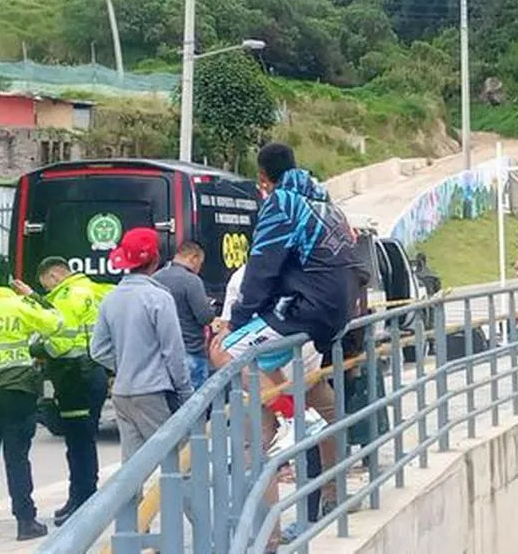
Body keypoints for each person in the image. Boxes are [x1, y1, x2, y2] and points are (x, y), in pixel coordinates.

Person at [215, 142, 364, 539]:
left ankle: (290, 419)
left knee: (228, 351)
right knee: (268, 356)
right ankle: (295, 414)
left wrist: (241, 322)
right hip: (336, 312)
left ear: (263, 179)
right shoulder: (326, 203)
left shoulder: (281, 204)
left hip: (307, 309)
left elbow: (261, 268)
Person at [10, 257, 111, 526]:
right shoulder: (92, 289)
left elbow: (62, 340)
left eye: (45, 285)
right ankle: (80, 497)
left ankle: (83, 501)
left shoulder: (67, 296)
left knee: (78, 443)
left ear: (55, 276)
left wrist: (35, 350)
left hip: (74, 375)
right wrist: (34, 297)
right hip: (95, 373)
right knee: (83, 440)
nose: (45, 290)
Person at [90, 227, 193, 461]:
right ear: (155, 259)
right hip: (153, 391)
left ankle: (131, 500)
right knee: (178, 459)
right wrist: (186, 392)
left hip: (122, 392)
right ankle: (181, 500)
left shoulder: (111, 298)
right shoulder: (158, 298)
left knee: (132, 467)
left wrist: (125, 364)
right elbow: (173, 351)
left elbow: (97, 350)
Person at [0, 257, 64, 540]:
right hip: (17, 392)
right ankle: (25, 522)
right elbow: (56, 323)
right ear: (9, 280)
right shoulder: (20, 305)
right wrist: (33, 296)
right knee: (17, 459)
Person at [154, 241, 216, 390]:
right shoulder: (191, 281)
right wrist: (210, 307)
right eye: (200, 264)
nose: (199, 269)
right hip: (191, 351)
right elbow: (205, 317)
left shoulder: (155, 278)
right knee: (195, 406)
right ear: (193, 258)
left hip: (161, 354)